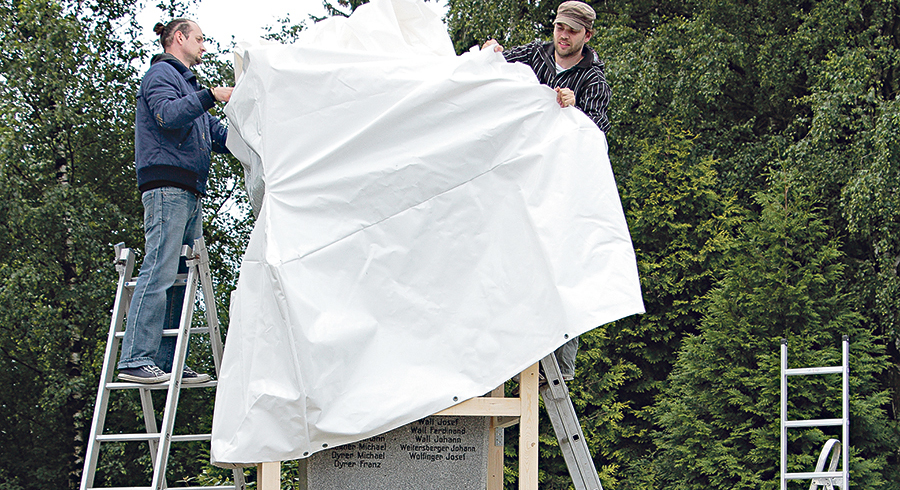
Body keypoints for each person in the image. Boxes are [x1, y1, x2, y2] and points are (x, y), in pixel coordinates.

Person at [483, 1, 610, 381]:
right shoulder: (534, 55)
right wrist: (489, 54)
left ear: (586, 35)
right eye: (559, 27)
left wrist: (575, 111)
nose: (563, 35)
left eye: (572, 30)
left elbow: (597, 135)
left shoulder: (592, 81)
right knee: (509, 263)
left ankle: (559, 367)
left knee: (561, 267)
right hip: (519, 180)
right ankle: (499, 355)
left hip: (562, 191)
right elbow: (496, 67)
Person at [117, 18, 233, 384]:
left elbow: (216, 135)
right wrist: (210, 96)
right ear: (178, 38)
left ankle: (165, 363)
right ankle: (136, 357)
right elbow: (168, 116)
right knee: (161, 268)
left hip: (189, 188)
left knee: (181, 278)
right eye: (199, 39)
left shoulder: (187, 86)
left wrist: (260, 139)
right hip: (167, 187)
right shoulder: (161, 77)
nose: (204, 46)